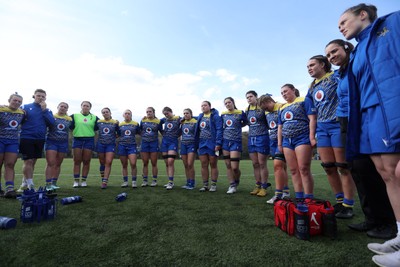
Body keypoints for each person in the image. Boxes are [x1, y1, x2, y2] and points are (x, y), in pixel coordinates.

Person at [338, 4, 400, 265]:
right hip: (369, 116)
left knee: (398, 172)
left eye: (343, 21)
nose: (341, 27)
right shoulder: (359, 49)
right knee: (386, 173)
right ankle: (399, 233)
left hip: (393, 106)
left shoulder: (392, 23)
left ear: (362, 15)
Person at [325, 39, 396, 238]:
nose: (331, 56)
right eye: (329, 55)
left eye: (334, 51)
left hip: (363, 118)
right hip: (346, 121)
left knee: (372, 170)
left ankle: (388, 222)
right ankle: (372, 219)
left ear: (347, 48)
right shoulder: (341, 73)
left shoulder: (357, 63)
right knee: (357, 169)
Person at [306, 55, 356, 218]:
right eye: (308, 67)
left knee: (342, 166)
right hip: (322, 128)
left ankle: (348, 204)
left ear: (323, 64)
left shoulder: (335, 77)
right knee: (328, 167)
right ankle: (339, 201)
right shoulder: (312, 86)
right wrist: (312, 134)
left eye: (312, 65)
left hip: (337, 125)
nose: (309, 68)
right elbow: (311, 112)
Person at [278, 84, 316, 199]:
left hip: (302, 138)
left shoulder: (304, 100)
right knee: (293, 170)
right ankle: (299, 197)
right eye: (282, 93)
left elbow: (312, 118)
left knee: (304, 169)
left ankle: (309, 197)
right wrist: (280, 143)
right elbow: (280, 127)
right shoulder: (282, 107)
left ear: (293, 90)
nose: (284, 94)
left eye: (285, 91)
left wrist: (312, 137)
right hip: (287, 142)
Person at [17, 89, 54, 192]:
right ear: (34, 96)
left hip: (40, 139)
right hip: (27, 137)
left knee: (33, 162)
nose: (41, 98)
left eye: (43, 96)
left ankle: (24, 183)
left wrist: (44, 110)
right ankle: (30, 185)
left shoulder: (47, 110)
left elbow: (51, 123)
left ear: (45, 98)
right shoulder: (25, 107)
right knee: (28, 161)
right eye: (38, 96)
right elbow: (16, 115)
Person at [258, 94, 290, 204]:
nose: (264, 109)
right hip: (273, 141)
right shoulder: (266, 112)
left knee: (278, 166)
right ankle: (286, 191)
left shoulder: (282, 106)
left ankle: (278, 194)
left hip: (283, 140)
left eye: (265, 106)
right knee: (281, 167)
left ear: (269, 101)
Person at [245, 90, 271, 197]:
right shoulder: (246, 110)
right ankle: (258, 185)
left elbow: (269, 121)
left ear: (256, 97)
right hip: (251, 138)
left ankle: (264, 187)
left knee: (262, 163)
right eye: (247, 97)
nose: (249, 99)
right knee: (255, 164)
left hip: (262, 137)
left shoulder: (262, 108)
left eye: (251, 96)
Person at [0, 93, 24, 198]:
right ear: (9, 100)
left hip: (13, 141)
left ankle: (9, 189)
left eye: (19, 101)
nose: (17, 103)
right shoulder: (1, 110)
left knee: (10, 164)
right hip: (0, 140)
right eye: (15, 100)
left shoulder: (22, 113)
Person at [221, 97, 247, 194]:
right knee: (228, 165)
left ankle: (237, 180)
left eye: (229, 102)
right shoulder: (223, 114)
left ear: (233, 103)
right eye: (226, 103)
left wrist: (238, 126)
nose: (227, 104)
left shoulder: (240, 112)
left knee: (235, 167)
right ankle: (232, 185)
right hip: (225, 141)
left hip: (236, 141)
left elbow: (245, 122)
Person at [70, 101, 99, 188]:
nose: (85, 107)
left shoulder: (94, 117)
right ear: (81, 106)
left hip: (89, 140)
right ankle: (76, 181)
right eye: (84, 105)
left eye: (87, 106)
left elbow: (100, 126)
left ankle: (83, 181)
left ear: (90, 108)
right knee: (77, 160)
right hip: (77, 139)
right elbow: (70, 127)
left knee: (86, 161)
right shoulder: (74, 116)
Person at [44, 102, 72, 191]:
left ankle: (54, 183)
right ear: (58, 107)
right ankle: (48, 184)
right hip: (51, 142)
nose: (63, 108)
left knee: (58, 164)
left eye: (65, 107)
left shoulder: (69, 119)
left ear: (67, 109)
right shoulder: (52, 116)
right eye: (61, 106)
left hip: (63, 143)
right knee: (50, 163)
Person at [196, 101, 222, 192]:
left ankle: (213, 185)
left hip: (212, 143)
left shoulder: (215, 117)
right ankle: (205, 185)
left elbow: (219, 130)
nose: (203, 107)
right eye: (202, 105)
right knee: (203, 164)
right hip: (202, 143)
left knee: (213, 164)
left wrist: (218, 143)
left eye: (205, 105)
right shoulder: (200, 116)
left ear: (210, 107)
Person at [96, 107, 119, 189]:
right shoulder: (98, 122)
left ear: (110, 113)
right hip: (101, 144)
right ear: (102, 114)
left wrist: (115, 136)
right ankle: (103, 179)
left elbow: (119, 132)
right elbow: (93, 129)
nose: (105, 113)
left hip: (110, 145)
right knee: (102, 162)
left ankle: (105, 181)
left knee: (108, 162)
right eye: (103, 112)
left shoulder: (115, 122)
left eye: (107, 112)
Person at [140, 107, 162, 187]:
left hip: (154, 143)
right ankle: (145, 180)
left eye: (150, 111)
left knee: (154, 162)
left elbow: (162, 131)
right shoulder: (143, 120)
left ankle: (154, 180)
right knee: (145, 162)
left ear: (153, 112)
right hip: (144, 143)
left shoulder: (158, 121)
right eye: (147, 112)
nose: (148, 113)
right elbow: (139, 131)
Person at [118, 109, 140, 188]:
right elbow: (118, 134)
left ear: (131, 115)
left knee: (133, 163)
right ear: (123, 115)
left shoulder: (135, 124)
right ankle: (125, 181)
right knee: (124, 165)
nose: (127, 115)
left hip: (132, 146)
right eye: (126, 113)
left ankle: (134, 181)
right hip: (122, 146)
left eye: (129, 113)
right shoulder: (120, 124)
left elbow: (139, 133)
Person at [160, 107, 181, 190]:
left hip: (173, 142)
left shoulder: (178, 118)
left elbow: (187, 120)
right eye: (165, 114)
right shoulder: (164, 120)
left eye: (167, 113)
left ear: (171, 112)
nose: (166, 115)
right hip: (165, 142)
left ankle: (171, 182)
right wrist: (162, 132)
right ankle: (169, 180)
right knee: (167, 163)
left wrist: (178, 133)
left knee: (170, 161)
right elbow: (157, 123)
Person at [180, 108, 197, 190]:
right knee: (186, 165)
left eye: (187, 113)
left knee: (190, 164)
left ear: (191, 113)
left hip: (192, 144)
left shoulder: (195, 121)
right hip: (183, 144)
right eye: (184, 113)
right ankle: (188, 182)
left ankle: (192, 183)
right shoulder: (182, 122)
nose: (185, 115)